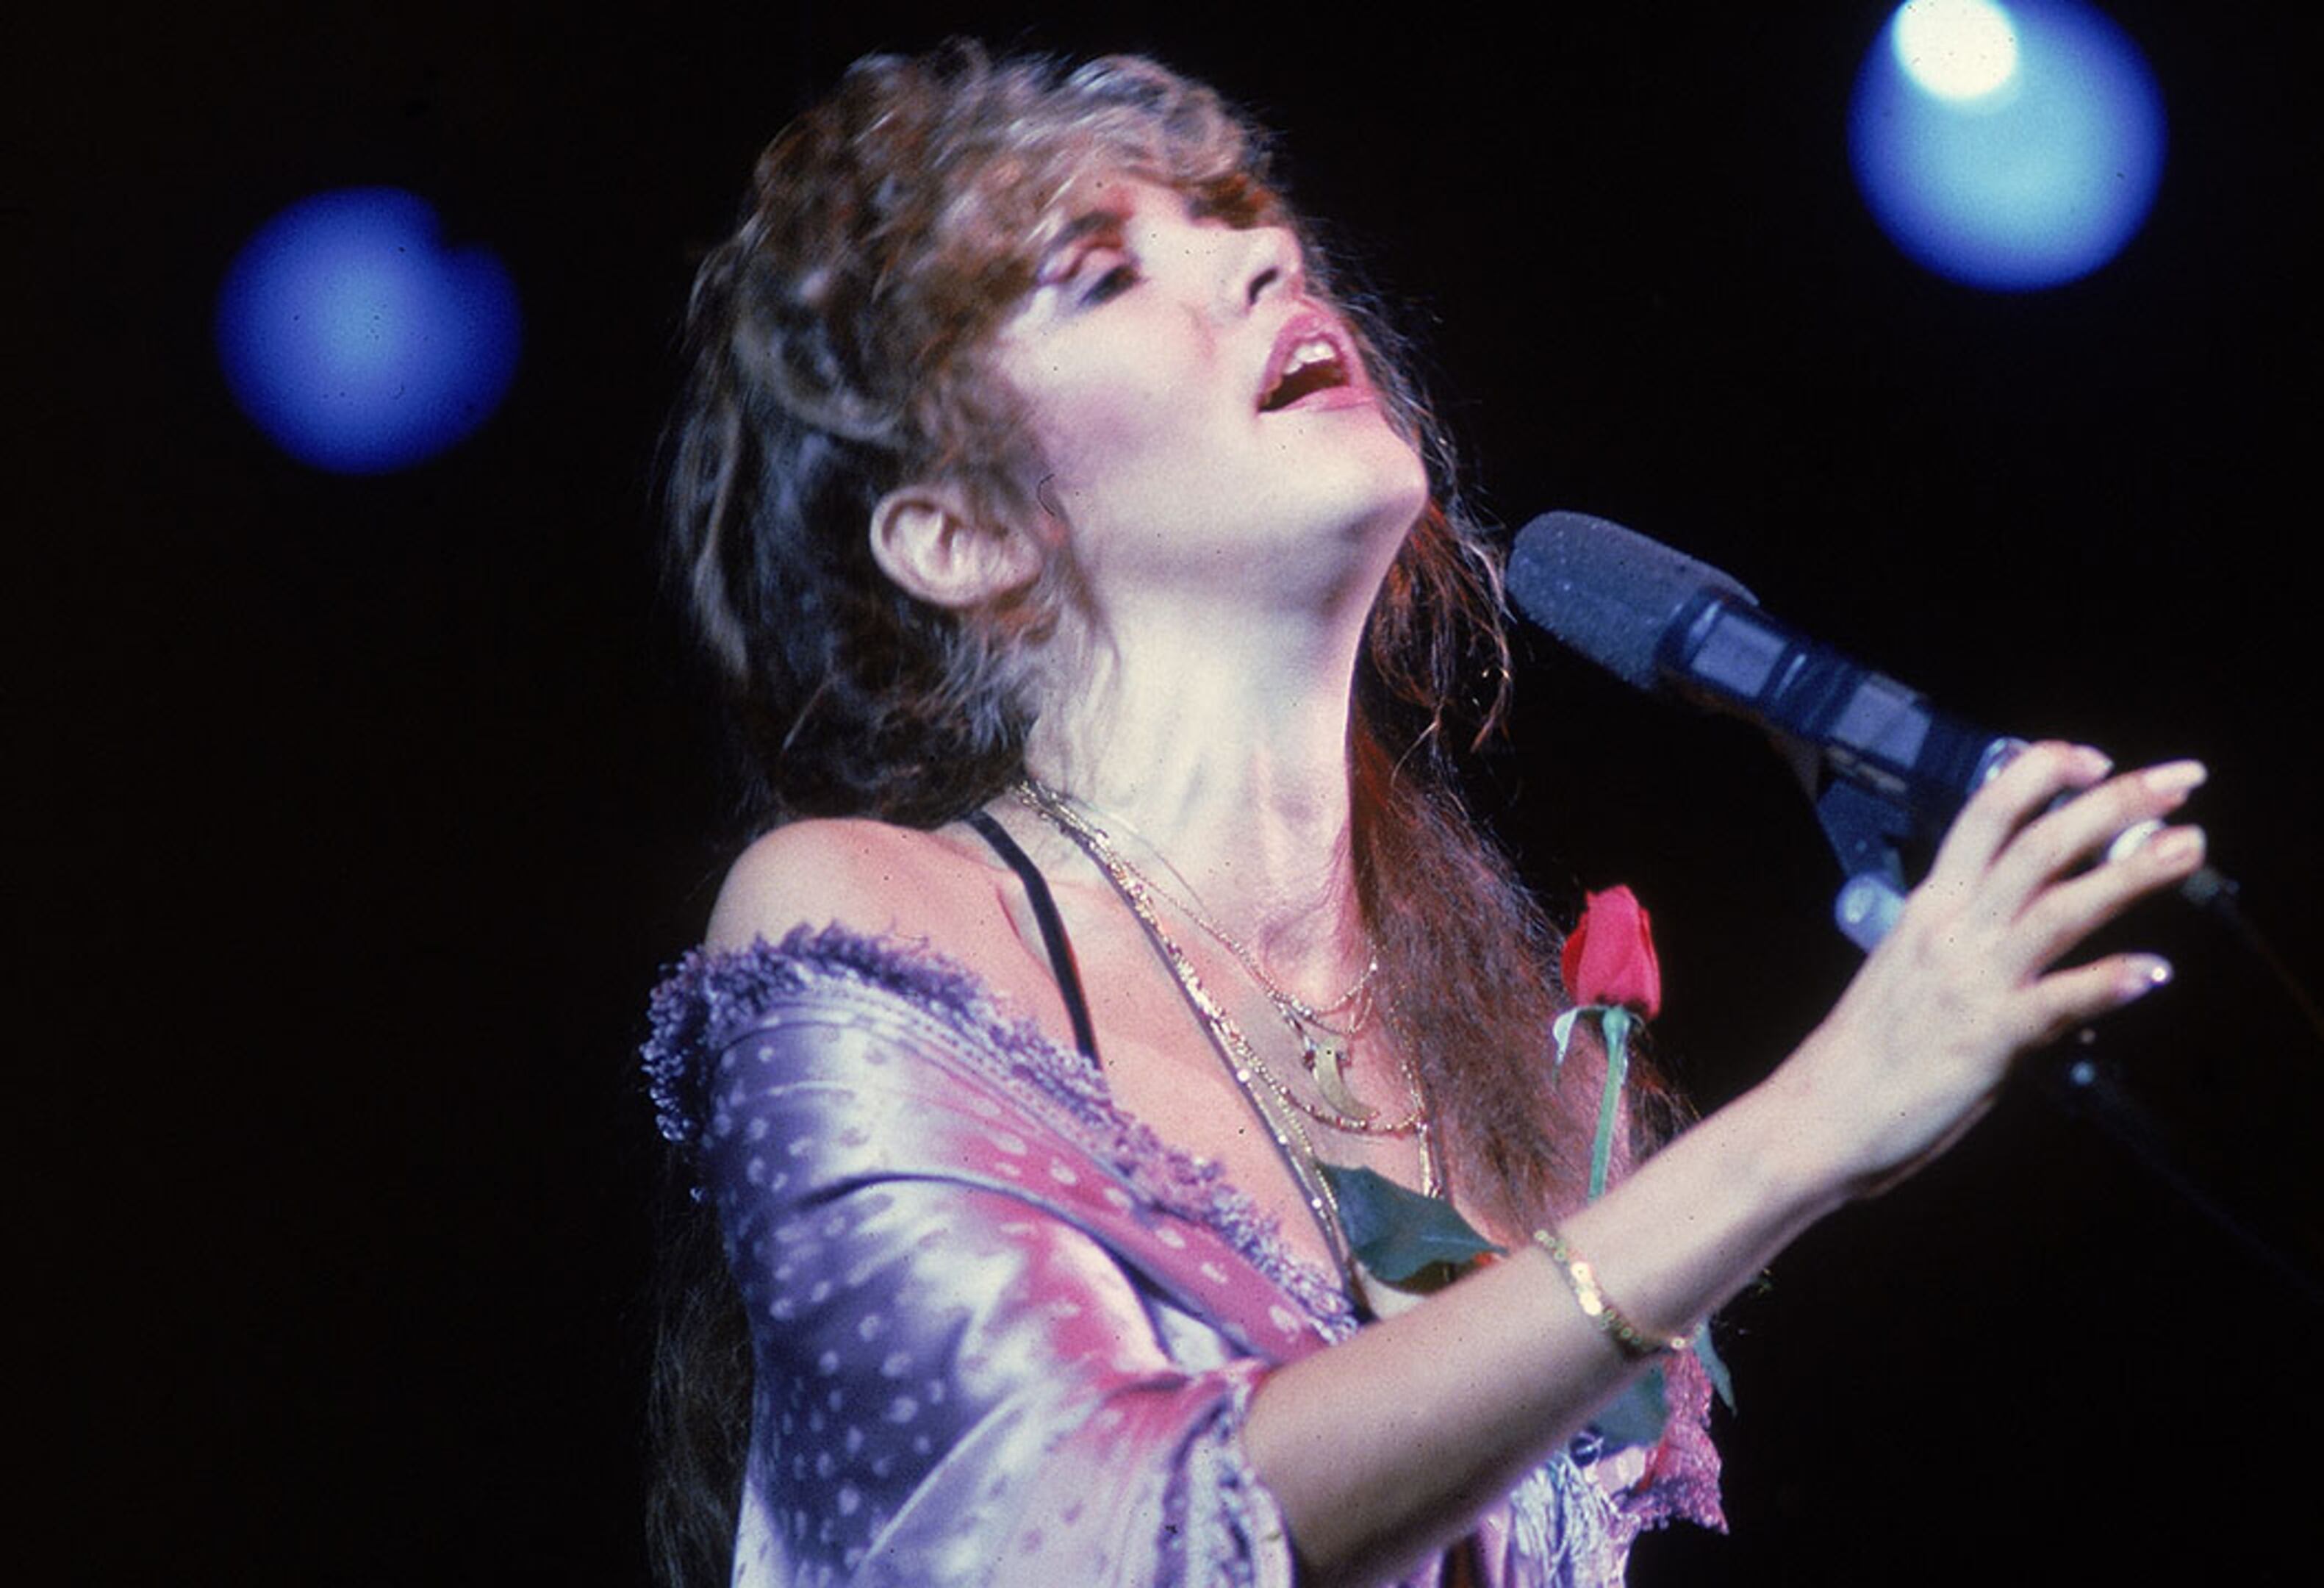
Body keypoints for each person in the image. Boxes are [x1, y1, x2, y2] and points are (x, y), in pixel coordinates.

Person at [642, 43, 2209, 1588]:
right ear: (963, 537)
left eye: (1241, 218)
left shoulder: (1511, 1061)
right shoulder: (871, 917)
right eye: (1101, 275)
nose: (1266, 255)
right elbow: (1056, 1534)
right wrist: (1816, 1125)